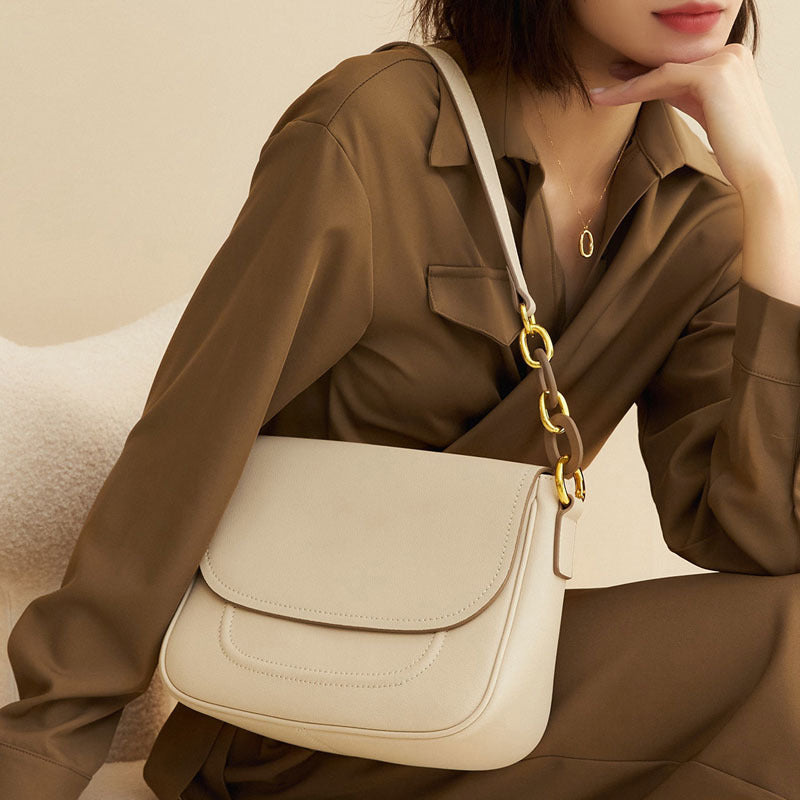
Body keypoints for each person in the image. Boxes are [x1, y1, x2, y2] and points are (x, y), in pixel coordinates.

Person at [2, 1, 800, 798]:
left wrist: (770, 194)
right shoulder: (369, 132)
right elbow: (184, 452)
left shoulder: (699, 212)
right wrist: (41, 755)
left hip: (485, 694)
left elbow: (758, 537)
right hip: (288, 717)